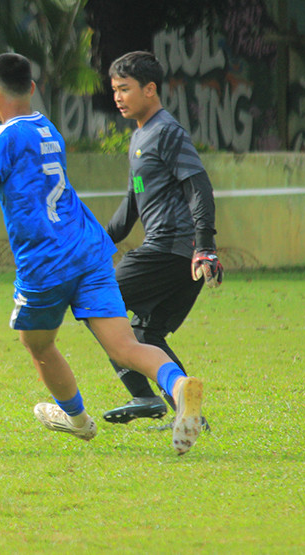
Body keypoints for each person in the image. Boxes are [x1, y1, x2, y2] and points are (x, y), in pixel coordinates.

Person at [0, 52, 204, 455]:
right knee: (124, 347)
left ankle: (77, 420)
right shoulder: (47, 128)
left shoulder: (3, 136)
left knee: (38, 344)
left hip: (46, 260)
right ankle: (180, 388)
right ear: (33, 89)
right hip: (88, 250)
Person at [101, 50, 222, 427]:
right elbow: (130, 207)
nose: (118, 97)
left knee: (99, 304)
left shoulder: (166, 131)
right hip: (173, 254)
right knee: (144, 333)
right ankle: (190, 415)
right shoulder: (140, 136)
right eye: (114, 90)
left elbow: (198, 185)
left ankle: (143, 398)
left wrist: (204, 247)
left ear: (150, 89)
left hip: (171, 249)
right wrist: (95, 244)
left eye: (125, 89)